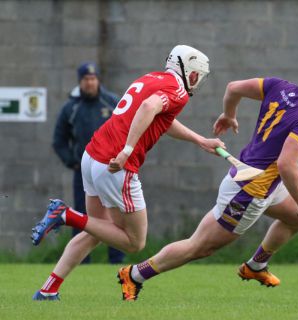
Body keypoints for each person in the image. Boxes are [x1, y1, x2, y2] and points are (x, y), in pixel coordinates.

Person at [114, 54, 298, 301]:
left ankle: (256, 266)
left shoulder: (278, 86)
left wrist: (229, 114)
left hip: (263, 182)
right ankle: (135, 274)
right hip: (249, 191)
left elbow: (233, 88)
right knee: (200, 247)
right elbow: (286, 164)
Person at [31, 45, 225, 300]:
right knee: (134, 242)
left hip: (92, 155)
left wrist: (200, 140)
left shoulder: (152, 78)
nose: (196, 81)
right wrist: (128, 149)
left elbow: (160, 118)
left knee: (96, 230)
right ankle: (66, 215)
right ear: (186, 70)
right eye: (196, 74)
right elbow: (148, 109)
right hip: (116, 164)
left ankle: (48, 289)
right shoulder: (178, 90)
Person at [52, 62, 125, 264]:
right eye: (86, 79)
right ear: (80, 82)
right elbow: (59, 141)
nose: (90, 83)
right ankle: (83, 261)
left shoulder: (111, 102)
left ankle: (116, 259)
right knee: (82, 214)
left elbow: (126, 129)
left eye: (93, 79)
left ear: (98, 80)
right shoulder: (71, 108)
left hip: (111, 169)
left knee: (116, 212)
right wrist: (72, 162)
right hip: (83, 170)